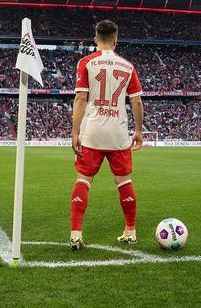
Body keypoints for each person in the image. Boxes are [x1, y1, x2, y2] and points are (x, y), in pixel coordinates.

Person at [69, 20, 144, 250]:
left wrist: (75, 131)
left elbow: (81, 98)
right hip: (118, 133)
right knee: (124, 181)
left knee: (83, 179)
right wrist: (138, 130)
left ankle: (75, 234)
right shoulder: (128, 66)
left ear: (95, 39)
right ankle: (130, 231)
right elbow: (136, 101)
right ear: (115, 40)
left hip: (92, 132)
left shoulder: (86, 62)